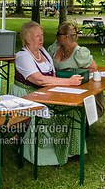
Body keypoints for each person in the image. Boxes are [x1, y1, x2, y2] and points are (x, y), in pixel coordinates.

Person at [11, 21, 84, 166]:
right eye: (37, 36)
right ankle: (48, 154)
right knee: (52, 115)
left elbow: (52, 75)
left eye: (42, 35)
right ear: (27, 39)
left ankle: (71, 150)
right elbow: (39, 80)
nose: (41, 39)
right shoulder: (23, 56)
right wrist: (69, 82)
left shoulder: (43, 51)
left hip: (46, 93)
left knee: (74, 111)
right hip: (27, 96)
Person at [47, 21, 105, 118]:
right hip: (56, 85)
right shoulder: (56, 47)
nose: (56, 36)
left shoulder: (80, 52)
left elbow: (93, 68)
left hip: (73, 90)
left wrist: (77, 75)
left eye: (58, 34)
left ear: (66, 36)